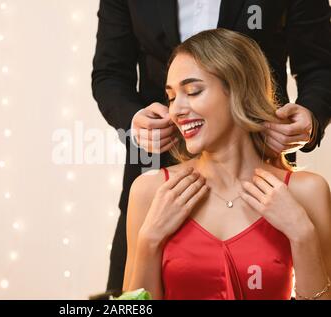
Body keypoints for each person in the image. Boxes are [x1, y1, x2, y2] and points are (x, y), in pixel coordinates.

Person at [91, 0, 331, 293]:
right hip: (158, 166)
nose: (177, 110)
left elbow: (321, 66)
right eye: (170, 97)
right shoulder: (149, 193)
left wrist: (302, 233)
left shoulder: (304, 193)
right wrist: (149, 239)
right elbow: (109, 72)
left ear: (240, 91)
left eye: (194, 91)